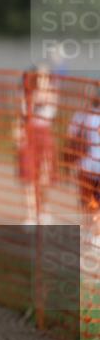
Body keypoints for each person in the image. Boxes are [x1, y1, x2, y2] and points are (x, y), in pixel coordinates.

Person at [13, 64, 58, 225]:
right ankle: (31, 214)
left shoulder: (52, 92)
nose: (41, 79)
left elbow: (48, 105)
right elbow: (22, 114)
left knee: (44, 178)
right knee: (29, 177)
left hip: (44, 135)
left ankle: (44, 210)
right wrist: (18, 134)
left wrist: (44, 86)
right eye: (39, 76)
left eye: (44, 76)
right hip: (28, 133)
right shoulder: (25, 92)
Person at [66, 86, 100, 243]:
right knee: (88, 202)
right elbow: (73, 136)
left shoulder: (83, 115)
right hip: (87, 165)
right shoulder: (83, 115)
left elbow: (72, 135)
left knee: (92, 202)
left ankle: (94, 233)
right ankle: (91, 232)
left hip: (89, 165)